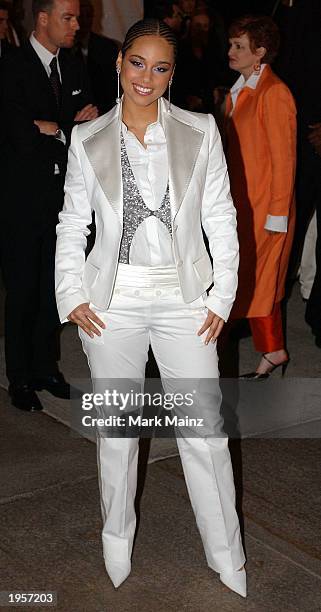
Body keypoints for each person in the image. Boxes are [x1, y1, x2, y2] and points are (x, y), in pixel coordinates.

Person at [55, 18, 246, 597]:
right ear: (119, 64)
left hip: (186, 301)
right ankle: (117, 545)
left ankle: (227, 555)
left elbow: (221, 216)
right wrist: (72, 293)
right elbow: (72, 223)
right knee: (116, 434)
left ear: (172, 72)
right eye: (138, 62)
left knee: (205, 433)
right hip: (113, 304)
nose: (148, 77)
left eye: (161, 67)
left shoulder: (200, 129)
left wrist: (223, 293)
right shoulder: (87, 139)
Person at [0, 0, 98, 412]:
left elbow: (89, 120)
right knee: (22, 288)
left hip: (63, 200)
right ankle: (19, 376)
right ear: (43, 19)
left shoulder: (73, 66)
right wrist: (61, 127)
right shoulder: (11, 66)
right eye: (68, 18)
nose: (76, 25)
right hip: (20, 200)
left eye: (76, 17)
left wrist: (54, 128)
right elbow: (17, 134)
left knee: (51, 288)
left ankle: (46, 368)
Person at [225, 15, 296, 377]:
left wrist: (277, 215)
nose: (230, 51)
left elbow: (285, 160)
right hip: (240, 206)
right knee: (257, 282)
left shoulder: (275, 93)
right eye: (231, 44)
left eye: (239, 46)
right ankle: (274, 350)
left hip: (266, 210)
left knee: (255, 281)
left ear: (260, 52)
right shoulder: (238, 91)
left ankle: (218, 341)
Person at [73, 0, 120, 115]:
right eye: (80, 16)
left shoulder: (108, 48)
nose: (84, 21)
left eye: (88, 15)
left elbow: (115, 88)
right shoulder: (61, 49)